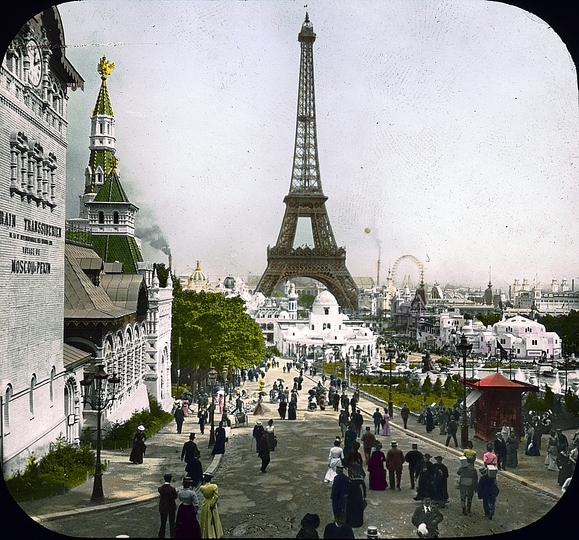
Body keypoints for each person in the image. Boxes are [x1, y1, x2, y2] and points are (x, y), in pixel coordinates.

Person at [199, 473, 223, 538]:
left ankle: (206, 533)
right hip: (211, 502)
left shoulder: (202, 488)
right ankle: (215, 533)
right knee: (214, 518)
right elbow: (216, 496)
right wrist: (212, 503)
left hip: (205, 503)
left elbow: (201, 489)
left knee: (205, 518)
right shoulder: (214, 486)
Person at [345, 463, 366, 528]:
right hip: (358, 494)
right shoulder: (360, 478)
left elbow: (348, 487)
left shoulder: (351, 478)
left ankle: (351, 522)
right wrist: (364, 495)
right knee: (358, 508)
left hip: (351, 494)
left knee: (351, 508)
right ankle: (358, 521)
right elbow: (364, 487)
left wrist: (346, 494)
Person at [158, 473, 178, 538]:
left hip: (163, 507)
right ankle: (172, 536)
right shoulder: (172, 489)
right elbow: (175, 497)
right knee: (172, 524)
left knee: (163, 523)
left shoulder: (160, 488)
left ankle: (161, 536)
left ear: (164, 479)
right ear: (170, 479)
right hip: (171, 507)